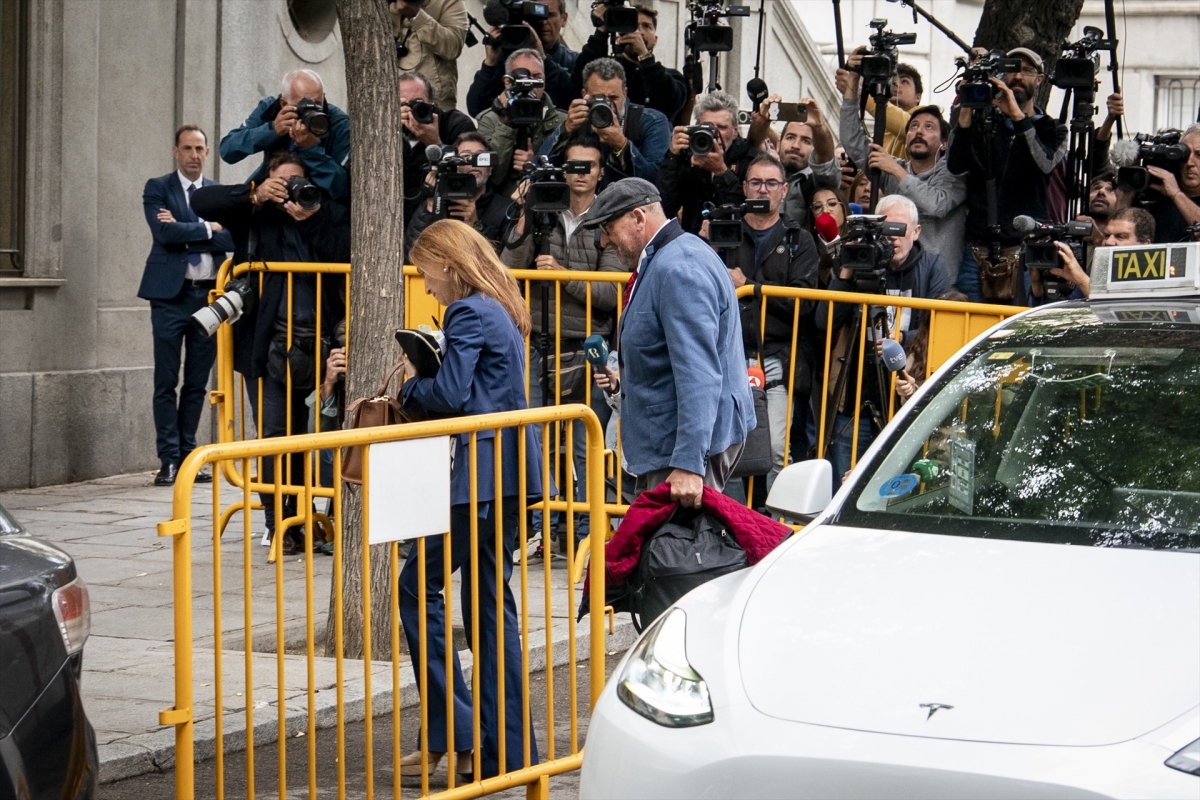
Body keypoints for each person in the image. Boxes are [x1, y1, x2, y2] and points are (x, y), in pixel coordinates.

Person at [398, 219, 544, 781]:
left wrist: (410, 383)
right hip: (506, 471)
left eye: (426, 273)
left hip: (478, 476)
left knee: (418, 586)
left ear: (448, 263)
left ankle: (454, 732)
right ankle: (507, 750)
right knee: (489, 605)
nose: (427, 285)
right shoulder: (498, 306)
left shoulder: (468, 311)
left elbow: (450, 394)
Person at [191, 152, 351, 554]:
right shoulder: (253, 212)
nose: (290, 190)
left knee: (319, 436)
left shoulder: (322, 210)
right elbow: (202, 201)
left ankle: (316, 518)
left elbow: (347, 250)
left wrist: (311, 218)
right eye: (282, 182)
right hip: (266, 346)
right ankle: (280, 523)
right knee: (276, 436)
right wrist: (255, 194)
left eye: (297, 181)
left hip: (322, 345)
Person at [581, 178, 755, 502]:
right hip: (672, 444)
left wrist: (689, 463)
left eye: (608, 228)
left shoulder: (678, 267)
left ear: (638, 218)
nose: (603, 241)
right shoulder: (673, 257)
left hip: (681, 453)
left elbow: (699, 373)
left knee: (677, 538)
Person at [501, 135, 624, 551]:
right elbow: (509, 267)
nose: (580, 174)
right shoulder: (544, 211)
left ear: (601, 172)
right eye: (573, 166)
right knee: (536, 442)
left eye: (589, 166)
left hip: (588, 347)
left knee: (585, 443)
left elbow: (609, 294)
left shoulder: (608, 218)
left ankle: (590, 533)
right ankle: (543, 530)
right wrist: (526, 212)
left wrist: (562, 274)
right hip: (538, 343)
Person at [816, 194, 952, 481]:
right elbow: (824, 320)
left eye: (899, 229)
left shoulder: (931, 267)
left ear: (916, 232)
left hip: (905, 393)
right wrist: (848, 268)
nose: (892, 238)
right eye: (885, 229)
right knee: (845, 481)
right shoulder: (860, 264)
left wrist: (903, 336)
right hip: (856, 391)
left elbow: (941, 327)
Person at [717, 154, 820, 501]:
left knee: (777, 450)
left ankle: (776, 525)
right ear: (744, 187)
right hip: (728, 354)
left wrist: (750, 286)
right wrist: (704, 243)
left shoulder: (799, 239)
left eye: (771, 183)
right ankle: (729, 524)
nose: (763, 190)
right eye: (756, 182)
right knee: (725, 449)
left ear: (784, 190)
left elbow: (804, 303)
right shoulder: (724, 230)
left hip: (777, 356)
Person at [138, 125, 234, 487]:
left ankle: (188, 456)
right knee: (166, 381)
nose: (194, 155)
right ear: (176, 151)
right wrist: (209, 229)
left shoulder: (217, 193)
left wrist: (187, 229)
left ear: (207, 152)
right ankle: (168, 460)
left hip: (207, 298)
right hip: (169, 298)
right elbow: (163, 234)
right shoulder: (158, 188)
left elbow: (232, 238)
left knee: (196, 383)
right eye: (188, 148)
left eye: (200, 149)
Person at [947, 47, 1067, 303]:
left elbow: (1043, 165)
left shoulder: (1053, 129)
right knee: (969, 322)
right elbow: (955, 165)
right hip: (977, 251)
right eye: (1012, 69)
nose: (1018, 76)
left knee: (1019, 323)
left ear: (1039, 79)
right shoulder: (986, 123)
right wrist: (968, 107)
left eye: (1027, 70)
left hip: (1025, 252)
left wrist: (1018, 117)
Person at [837, 91, 966, 276]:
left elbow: (936, 204)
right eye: (913, 126)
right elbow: (853, 142)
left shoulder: (954, 172)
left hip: (939, 283)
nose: (919, 131)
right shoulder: (891, 168)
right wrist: (850, 93)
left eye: (929, 127)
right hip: (896, 278)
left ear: (944, 143)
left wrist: (896, 170)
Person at [220, 69, 351, 204]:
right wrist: (271, 130)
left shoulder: (339, 124)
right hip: (273, 194)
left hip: (318, 203)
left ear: (323, 97)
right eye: (304, 105)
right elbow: (227, 150)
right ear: (284, 104)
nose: (312, 110)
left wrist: (311, 149)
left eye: (317, 104)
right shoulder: (271, 109)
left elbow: (345, 189)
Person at [538, 58, 671, 185]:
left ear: (625, 93)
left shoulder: (651, 121)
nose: (607, 105)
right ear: (584, 95)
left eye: (613, 98)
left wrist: (621, 145)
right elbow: (538, 168)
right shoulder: (577, 121)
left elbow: (656, 180)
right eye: (599, 98)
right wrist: (565, 130)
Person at [658, 91, 757, 234]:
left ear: (735, 131)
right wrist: (672, 157)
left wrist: (722, 172)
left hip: (734, 240)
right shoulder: (687, 157)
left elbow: (746, 212)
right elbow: (664, 209)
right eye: (708, 127)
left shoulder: (749, 159)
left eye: (722, 127)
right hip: (693, 239)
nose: (715, 134)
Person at [475, 50, 569, 197]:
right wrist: (506, 124)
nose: (529, 85)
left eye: (536, 78)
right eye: (523, 79)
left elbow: (571, 175)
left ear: (544, 81)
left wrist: (536, 165)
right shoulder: (490, 120)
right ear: (508, 82)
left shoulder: (564, 121)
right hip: (503, 203)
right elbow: (491, 178)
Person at [571, 4, 687, 122]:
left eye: (646, 26)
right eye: (633, 25)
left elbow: (670, 103)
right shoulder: (606, 72)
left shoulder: (671, 76)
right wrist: (601, 31)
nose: (639, 32)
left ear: (655, 39)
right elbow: (580, 80)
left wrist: (645, 56)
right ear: (618, 37)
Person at [406, 132, 512, 255]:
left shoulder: (506, 209)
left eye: (480, 157)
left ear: (490, 169)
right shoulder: (438, 202)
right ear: (454, 166)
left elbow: (503, 260)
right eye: (465, 156)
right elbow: (411, 253)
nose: (473, 162)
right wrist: (430, 207)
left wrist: (475, 225)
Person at [465, 0, 576, 115]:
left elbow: (574, 98)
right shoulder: (508, 58)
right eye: (536, 16)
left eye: (550, 15)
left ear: (564, 19)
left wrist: (544, 61)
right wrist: (489, 64)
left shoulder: (574, 61)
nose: (543, 21)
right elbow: (476, 110)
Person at [400, 72, 478, 223]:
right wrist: (389, 131)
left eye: (418, 104)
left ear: (432, 103)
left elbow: (469, 173)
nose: (412, 112)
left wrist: (434, 143)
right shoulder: (386, 131)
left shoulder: (456, 124)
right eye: (404, 106)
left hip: (444, 217)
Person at [1048, 206, 1155, 300]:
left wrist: (1081, 280)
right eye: (1107, 235)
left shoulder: (1155, 278)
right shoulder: (1100, 271)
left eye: (1121, 236)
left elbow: (1115, 310)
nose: (1108, 242)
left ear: (1145, 244)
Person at [387, 0, 468, 110]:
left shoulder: (449, 2)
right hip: (387, 98)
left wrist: (417, 16)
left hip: (432, 102)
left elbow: (453, 47)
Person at [843, 49, 923, 159]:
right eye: (892, 81)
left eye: (904, 81)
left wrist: (859, 94)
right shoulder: (881, 131)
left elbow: (909, 128)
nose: (896, 84)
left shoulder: (929, 118)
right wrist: (853, 75)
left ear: (918, 97)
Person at [894, 290, 970, 402]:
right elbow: (914, 406)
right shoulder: (917, 355)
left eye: (954, 323)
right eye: (942, 322)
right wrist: (911, 390)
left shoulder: (978, 352)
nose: (948, 330)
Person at [774, 108, 842, 225]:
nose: (796, 146)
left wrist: (819, 126)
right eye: (790, 137)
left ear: (815, 150)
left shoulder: (818, 181)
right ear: (778, 144)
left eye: (806, 141)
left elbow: (825, 162)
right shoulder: (763, 174)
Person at [1144, 123, 1200, 244]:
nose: (1189, 162)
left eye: (1199, 155)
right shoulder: (1155, 195)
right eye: (1185, 154)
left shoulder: (1173, 192)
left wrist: (1176, 194)